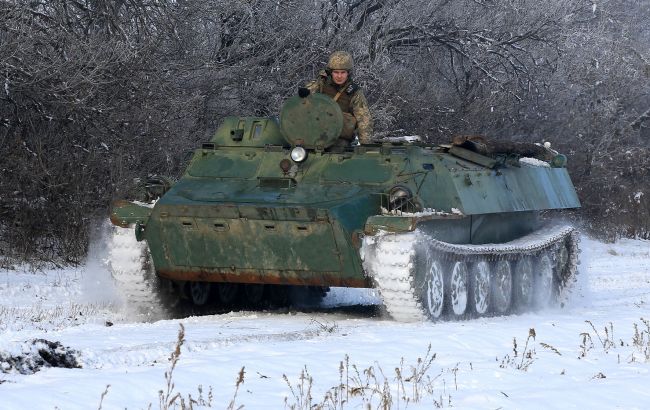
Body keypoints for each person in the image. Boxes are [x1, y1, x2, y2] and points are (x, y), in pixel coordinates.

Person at [302, 51, 373, 145]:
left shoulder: (354, 92)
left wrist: (365, 145)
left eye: (343, 72)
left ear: (348, 73)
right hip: (314, 133)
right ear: (331, 72)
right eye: (336, 72)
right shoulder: (320, 84)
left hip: (339, 138)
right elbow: (302, 102)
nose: (339, 76)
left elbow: (364, 120)